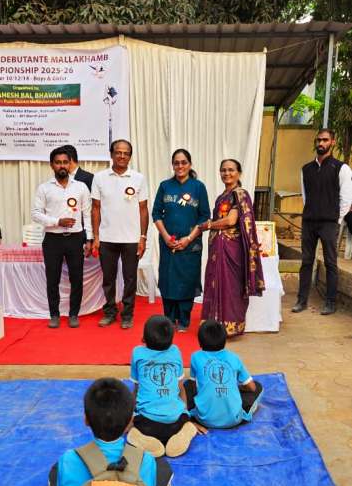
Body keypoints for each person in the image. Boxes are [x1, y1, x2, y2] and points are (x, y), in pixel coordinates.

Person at [48, 377, 173, 486]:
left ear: (86, 420)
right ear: (130, 422)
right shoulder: (146, 460)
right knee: (162, 467)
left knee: (55, 472)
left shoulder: (68, 460)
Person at [200, 159, 264, 337]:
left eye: (231, 170)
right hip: (218, 249)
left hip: (231, 251)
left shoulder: (239, 194)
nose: (226, 173)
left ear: (239, 173)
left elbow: (231, 220)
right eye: (223, 170)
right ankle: (214, 326)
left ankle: (229, 327)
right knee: (215, 284)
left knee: (230, 287)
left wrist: (209, 225)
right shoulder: (222, 196)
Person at [292, 127, 352, 315]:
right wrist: (311, 212)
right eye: (319, 140)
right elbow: (305, 196)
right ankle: (301, 301)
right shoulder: (306, 169)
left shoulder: (341, 168)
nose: (321, 143)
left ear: (332, 142)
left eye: (325, 140)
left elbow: (346, 199)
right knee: (306, 261)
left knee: (330, 263)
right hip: (309, 222)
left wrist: (336, 219)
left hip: (329, 223)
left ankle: (330, 302)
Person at [32, 146, 92, 328]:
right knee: (53, 279)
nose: (62, 166)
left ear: (70, 163)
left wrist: (89, 239)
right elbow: (36, 214)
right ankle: (54, 315)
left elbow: (87, 214)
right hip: (53, 239)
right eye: (58, 162)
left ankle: (74, 314)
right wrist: (57, 221)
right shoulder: (44, 188)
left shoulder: (81, 187)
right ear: (52, 165)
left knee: (77, 279)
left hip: (75, 238)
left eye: (65, 162)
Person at [91, 139, 149, 329]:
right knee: (108, 279)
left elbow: (143, 209)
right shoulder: (99, 178)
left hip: (131, 239)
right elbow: (95, 209)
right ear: (111, 154)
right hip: (106, 238)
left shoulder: (139, 178)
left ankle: (127, 315)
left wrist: (143, 237)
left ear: (130, 156)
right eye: (118, 152)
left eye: (126, 153)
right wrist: (96, 237)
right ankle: (109, 312)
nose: (122, 156)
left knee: (130, 279)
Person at [152, 149, 210, 332]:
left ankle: (184, 320)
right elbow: (156, 213)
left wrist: (189, 238)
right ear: (172, 165)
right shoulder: (165, 186)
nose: (180, 166)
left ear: (190, 164)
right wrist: (165, 236)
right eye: (176, 163)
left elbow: (204, 217)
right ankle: (169, 319)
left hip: (190, 244)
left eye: (184, 162)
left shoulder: (198, 187)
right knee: (168, 279)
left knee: (187, 279)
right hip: (168, 243)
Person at [128, 315, 198, 458]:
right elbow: (180, 388)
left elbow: (136, 388)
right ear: (171, 339)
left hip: (146, 423)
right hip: (176, 421)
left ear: (144, 338)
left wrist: (130, 419)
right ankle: (185, 430)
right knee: (188, 393)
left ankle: (140, 436)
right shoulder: (175, 351)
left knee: (134, 425)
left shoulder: (137, 353)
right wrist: (185, 414)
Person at [184, 320, 263, 429]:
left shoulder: (195, 357)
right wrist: (237, 388)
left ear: (200, 342)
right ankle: (241, 411)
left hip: (203, 419)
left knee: (186, 385)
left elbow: (193, 385)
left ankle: (187, 414)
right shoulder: (234, 357)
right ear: (224, 340)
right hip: (234, 420)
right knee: (258, 387)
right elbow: (252, 387)